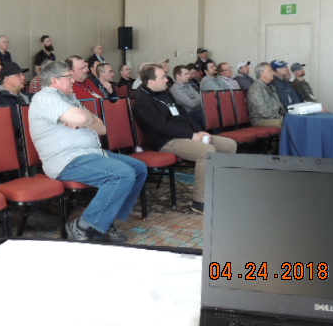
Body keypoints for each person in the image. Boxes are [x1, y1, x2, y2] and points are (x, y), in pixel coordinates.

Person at [29, 61, 147, 242]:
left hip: (91, 154)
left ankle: (103, 222)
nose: (73, 80)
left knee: (139, 169)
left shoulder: (70, 99)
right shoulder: (45, 97)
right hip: (67, 160)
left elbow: (102, 128)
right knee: (123, 174)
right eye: (68, 77)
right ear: (54, 80)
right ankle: (82, 225)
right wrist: (86, 118)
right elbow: (84, 118)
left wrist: (85, 119)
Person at [132, 64, 237, 214]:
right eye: (162, 77)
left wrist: (199, 131)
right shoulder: (142, 103)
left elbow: (183, 114)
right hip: (165, 141)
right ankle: (200, 201)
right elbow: (162, 127)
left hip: (186, 134)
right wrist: (192, 136)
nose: (167, 80)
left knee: (229, 145)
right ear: (151, 82)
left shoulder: (164, 93)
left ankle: (220, 190)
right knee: (206, 152)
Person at [0, 62, 31, 137]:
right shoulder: (1, 99)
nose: (23, 77)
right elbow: (18, 125)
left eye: (22, 74)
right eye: (18, 75)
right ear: (7, 79)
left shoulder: (26, 96)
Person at [247, 62, 285, 128]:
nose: (273, 73)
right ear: (262, 73)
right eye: (270, 71)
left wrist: (286, 115)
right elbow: (263, 112)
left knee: (293, 120)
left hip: (273, 117)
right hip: (260, 120)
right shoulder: (256, 88)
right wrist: (281, 117)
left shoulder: (271, 86)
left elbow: (279, 106)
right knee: (288, 122)